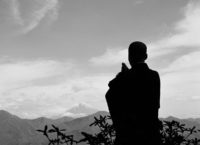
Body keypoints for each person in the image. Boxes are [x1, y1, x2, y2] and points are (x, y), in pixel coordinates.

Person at [105, 41, 161, 145]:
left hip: (128, 137)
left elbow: (110, 90)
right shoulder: (154, 75)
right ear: (146, 56)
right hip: (151, 135)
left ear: (129, 57)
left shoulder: (125, 77)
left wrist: (122, 75)